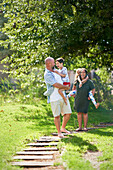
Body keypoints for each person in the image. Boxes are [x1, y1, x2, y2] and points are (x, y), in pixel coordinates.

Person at [44, 57, 72, 138]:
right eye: (53, 63)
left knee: (68, 113)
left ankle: (63, 128)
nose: (55, 64)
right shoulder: (47, 74)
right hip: (54, 97)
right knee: (57, 116)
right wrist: (66, 87)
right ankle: (59, 132)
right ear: (49, 64)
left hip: (62, 95)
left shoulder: (55, 71)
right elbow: (55, 84)